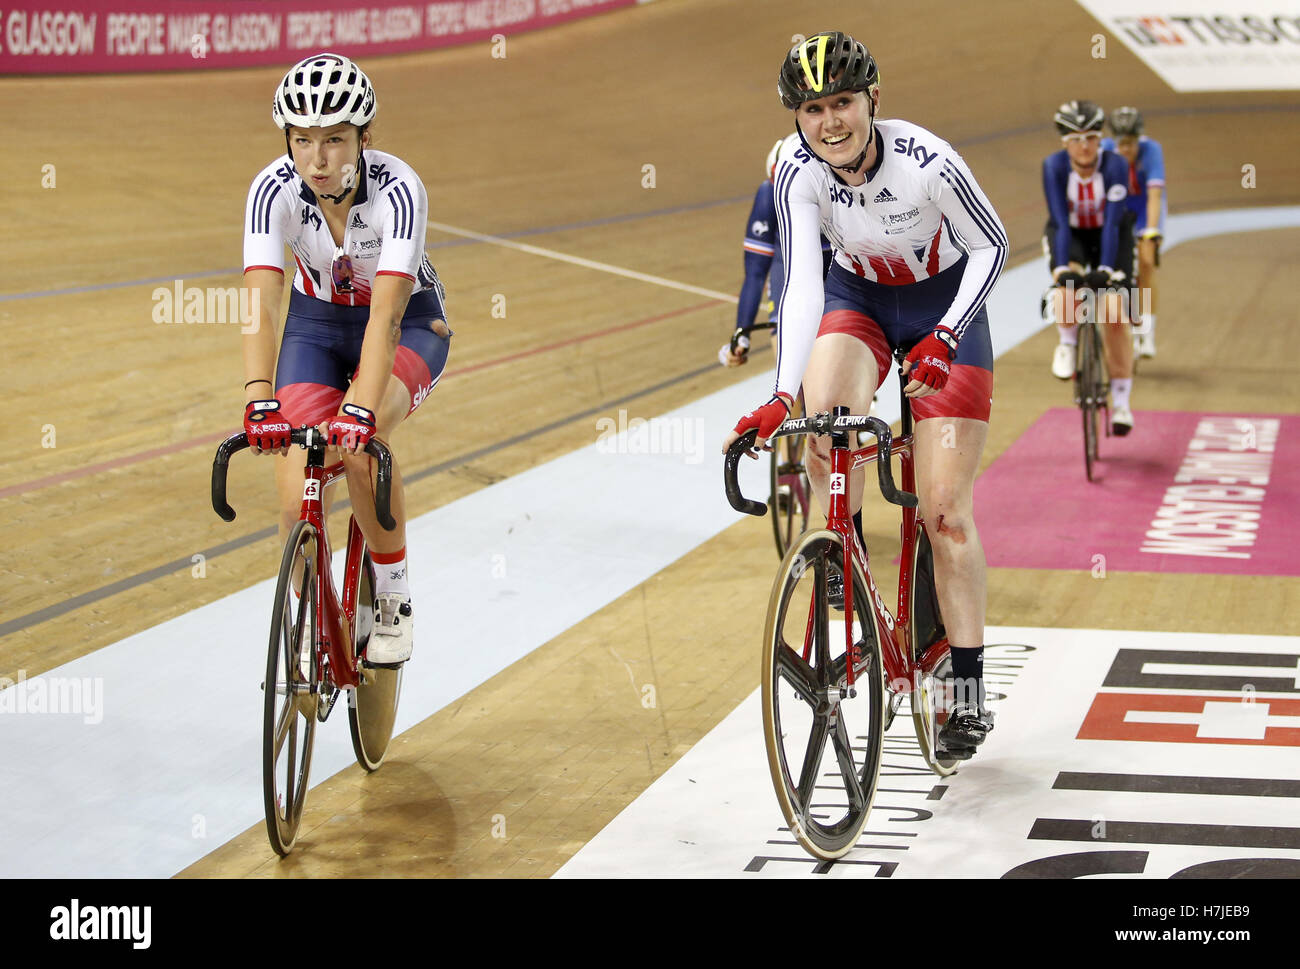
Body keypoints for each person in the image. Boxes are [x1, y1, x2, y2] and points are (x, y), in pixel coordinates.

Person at [724, 31, 1007, 759]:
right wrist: (782, 396)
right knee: (823, 433)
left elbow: (991, 244)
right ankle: (840, 569)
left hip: (944, 306)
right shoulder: (795, 169)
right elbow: (801, 286)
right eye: (813, 109)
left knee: (944, 513)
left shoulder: (928, 162)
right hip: (859, 298)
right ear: (797, 116)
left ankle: (969, 688)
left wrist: (946, 334)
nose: (830, 123)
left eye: (842, 102)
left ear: (872, 99)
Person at [240, 52, 451, 666]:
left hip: (408, 322)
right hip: (315, 326)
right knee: (291, 488)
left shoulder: (399, 190)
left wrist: (358, 408)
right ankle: (309, 614)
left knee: (361, 447)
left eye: (334, 139)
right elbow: (261, 304)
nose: (317, 158)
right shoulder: (271, 189)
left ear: (364, 137)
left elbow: (384, 318)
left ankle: (393, 598)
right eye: (302, 140)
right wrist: (259, 397)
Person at [1043, 99, 1137, 436]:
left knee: (1114, 313)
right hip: (1074, 235)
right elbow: (1059, 222)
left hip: (1112, 234)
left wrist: (1108, 270)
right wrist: (1062, 272)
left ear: (1100, 139)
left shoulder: (1114, 166)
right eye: (1076, 139)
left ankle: (1122, 401)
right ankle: (1068, 343)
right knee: (1067, 290)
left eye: (1091, 138)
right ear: (1065, 143)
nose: (1084, 146)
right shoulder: (1053, 166)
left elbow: (1112, 223)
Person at [719, 135, 833, 369]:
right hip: (788, 270)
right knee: (789, 373)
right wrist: (742, 333)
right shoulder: (768, 194)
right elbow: (756, 272)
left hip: (834, 266)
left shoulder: (838, 186)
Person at [1102, 106, 1165, 358]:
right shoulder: (1105, 151)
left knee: (1147, 263)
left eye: (1131, 143)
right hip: (1118, 208)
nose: (1126, 149)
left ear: (1140, 139)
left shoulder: (1152, 151)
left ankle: (1147, 333)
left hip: (1142, 210)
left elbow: (1155, 195)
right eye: (1121, 144)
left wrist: (1150, 231)